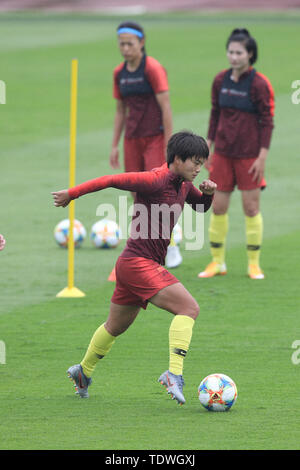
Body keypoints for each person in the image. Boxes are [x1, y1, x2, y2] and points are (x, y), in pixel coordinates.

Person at [52, 131, 217, 405]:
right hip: (140, 264)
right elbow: (109, 180)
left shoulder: (185, 184)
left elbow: (200, 208)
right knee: (189, 308)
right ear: (177, 159)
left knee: (114, 327)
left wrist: (209, 195)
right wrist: (71, 194)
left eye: (202, 163)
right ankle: (174, 374)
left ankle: (83, 371)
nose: (199, 168)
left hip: (131, 265)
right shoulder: (154, 180)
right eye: (195, 162)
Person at [199, 28, 274, 280]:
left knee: (251, 208)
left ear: (250, 54)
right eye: (230, 52)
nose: (233, 57)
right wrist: (208, 145)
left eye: (238, 52)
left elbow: (268, 121)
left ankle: (254, 263)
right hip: (222, 154)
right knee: (218, 207)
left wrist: (262, 156)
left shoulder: (260, 84)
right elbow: (214, 114)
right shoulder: (220, 81)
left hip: (249, 157)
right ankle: (217, 262)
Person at [109, 20, 181, 269]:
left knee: (158, 194)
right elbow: (120, 111)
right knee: (136, 194)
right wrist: (115, 144)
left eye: (130, 44)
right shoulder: (119, 73)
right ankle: (147, 248)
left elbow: (166, 107)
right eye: (121, 44)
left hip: (155, 138)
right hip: (132, 140)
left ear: (142, 42)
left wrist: (169, 146)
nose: (125, 48)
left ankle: (170, 246)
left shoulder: (153, 68)